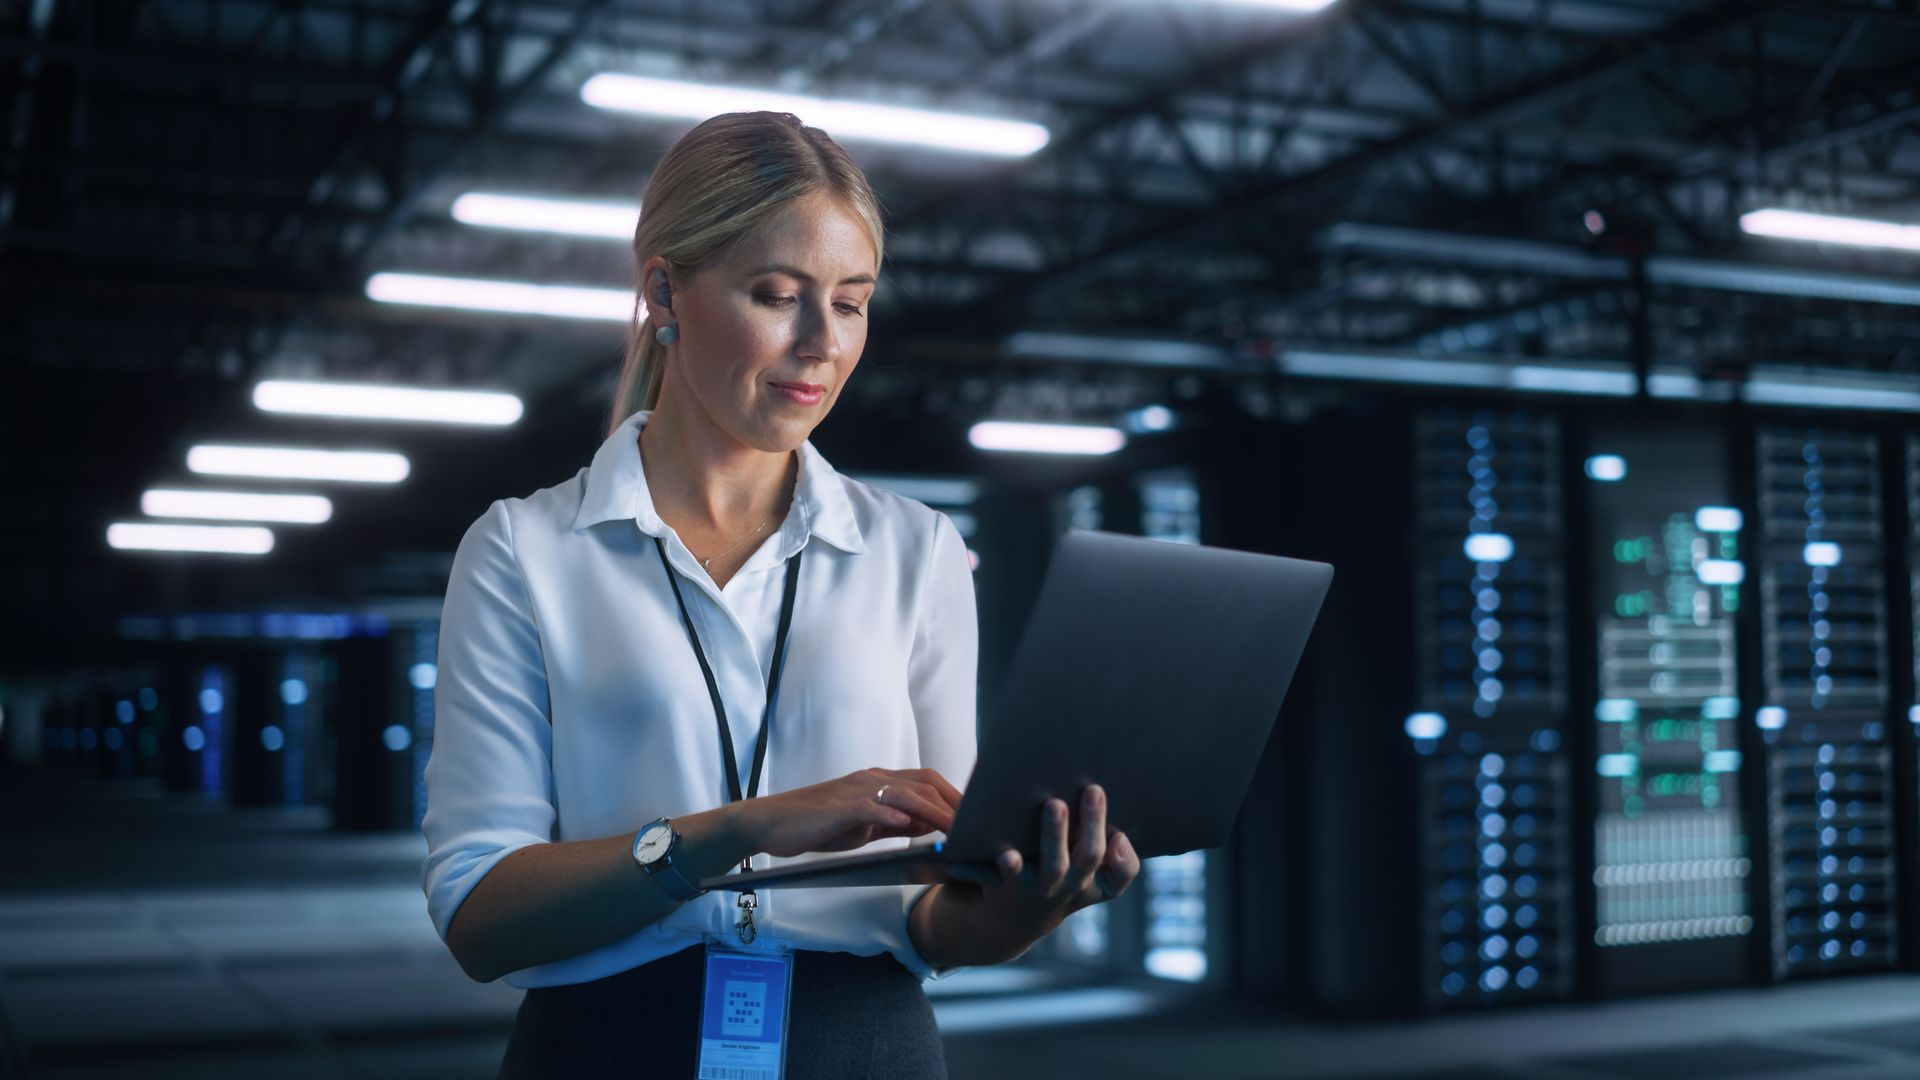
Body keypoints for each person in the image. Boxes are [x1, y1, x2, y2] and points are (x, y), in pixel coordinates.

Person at [419, 111, 1142, 1079]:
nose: (821, 344)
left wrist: (1029, 900)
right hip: (606, 1048)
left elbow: (938, 912)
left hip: (869, 1047)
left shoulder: (916, 553)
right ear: (664, 291)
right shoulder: (524, 551)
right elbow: (479, 917)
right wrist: (742, 830)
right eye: (777, 295)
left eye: (850, 303)